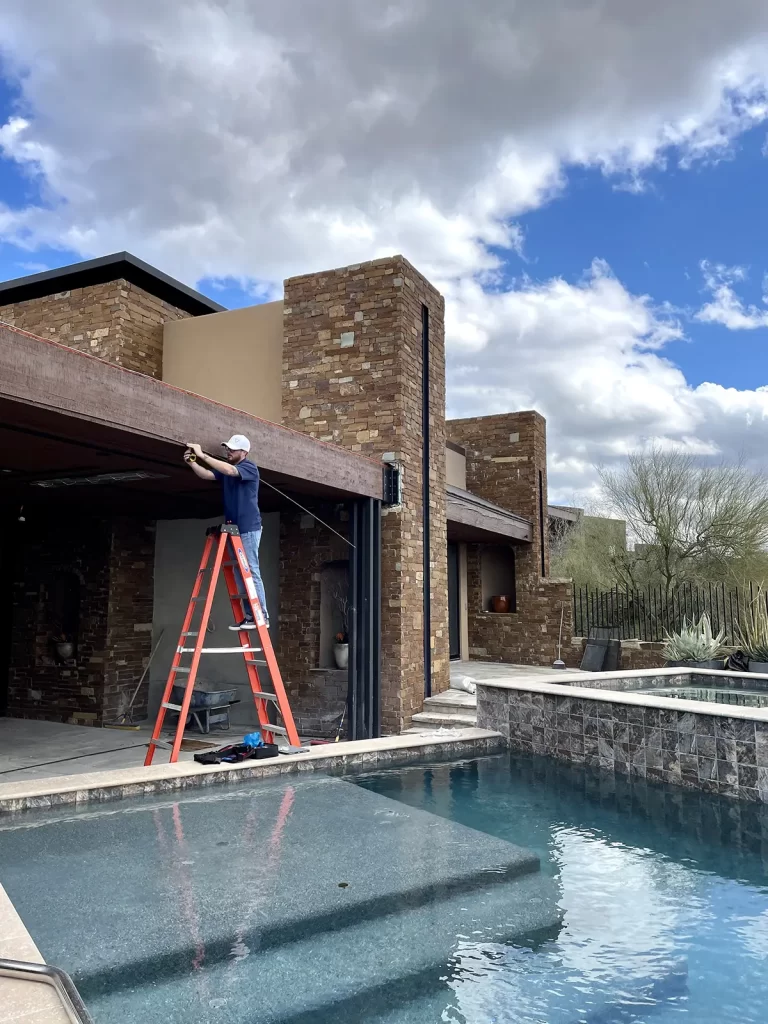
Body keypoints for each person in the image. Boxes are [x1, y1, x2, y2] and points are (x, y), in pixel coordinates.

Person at [184, 434, 268, 630]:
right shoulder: (228, 469)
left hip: (248, 528)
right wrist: (192, 462)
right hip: (234, 529)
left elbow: (230, 470)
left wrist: (201, 454)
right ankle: (250, 616)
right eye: (228, 448)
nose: (228, 451)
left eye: (233, 449)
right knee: (240, 572)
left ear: (244, 453)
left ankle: (260, 615)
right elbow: (208, 475)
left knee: (251, 570)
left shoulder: (249, 467)